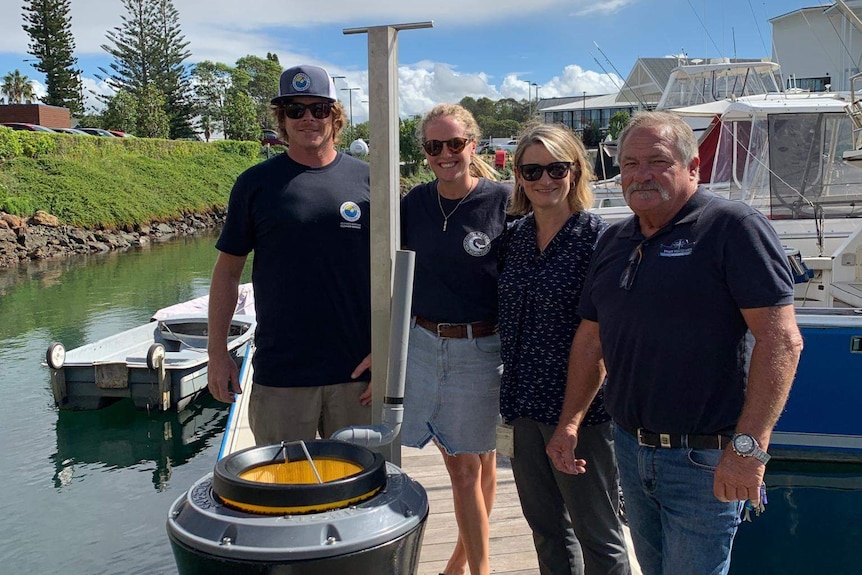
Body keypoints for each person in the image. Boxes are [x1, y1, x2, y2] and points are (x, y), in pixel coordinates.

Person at [546, 111, 804, 575]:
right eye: (628, 163)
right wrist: (570, 422)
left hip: (704, 456)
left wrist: (748, 451)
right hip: (631, 447)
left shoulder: (731, 227)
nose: (640, 174)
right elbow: (592, 338)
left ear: (693, 168)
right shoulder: (616, 239)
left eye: (657, 161)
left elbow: (782, 341)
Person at [207, 64, 372, 445]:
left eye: (319, 109)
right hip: (281, 376)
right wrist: (218, 353)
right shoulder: (255, 184)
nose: (308, 118)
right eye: (295, 110)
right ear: (282, 119)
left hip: (357, 376)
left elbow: (399, 274)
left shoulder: (369, 180)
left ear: (335, 115)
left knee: (359, 497)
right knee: (282, 496)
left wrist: (388, 354)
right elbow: (227, 273)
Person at [498, 123, 631, 575]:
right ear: (518, 175)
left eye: (557, 168)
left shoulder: (600, 240)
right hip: (522, 407)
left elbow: (604, 336)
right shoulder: (513, 239)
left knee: (599, 535)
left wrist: (571, 421)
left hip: (581, 415)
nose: (544, 180)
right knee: (547, 530)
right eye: (531, 170)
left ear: (576, 172)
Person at [400, 103, 509, 575]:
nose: (445, 154)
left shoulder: (504, 201)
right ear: (424, 152)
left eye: (455, 143)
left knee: (467, 466)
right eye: (434, 146)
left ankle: (473, 569)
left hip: (481, 349)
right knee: (473, 463)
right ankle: (461, 562)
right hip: (424, 344)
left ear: (473, 145)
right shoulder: (412, 204)